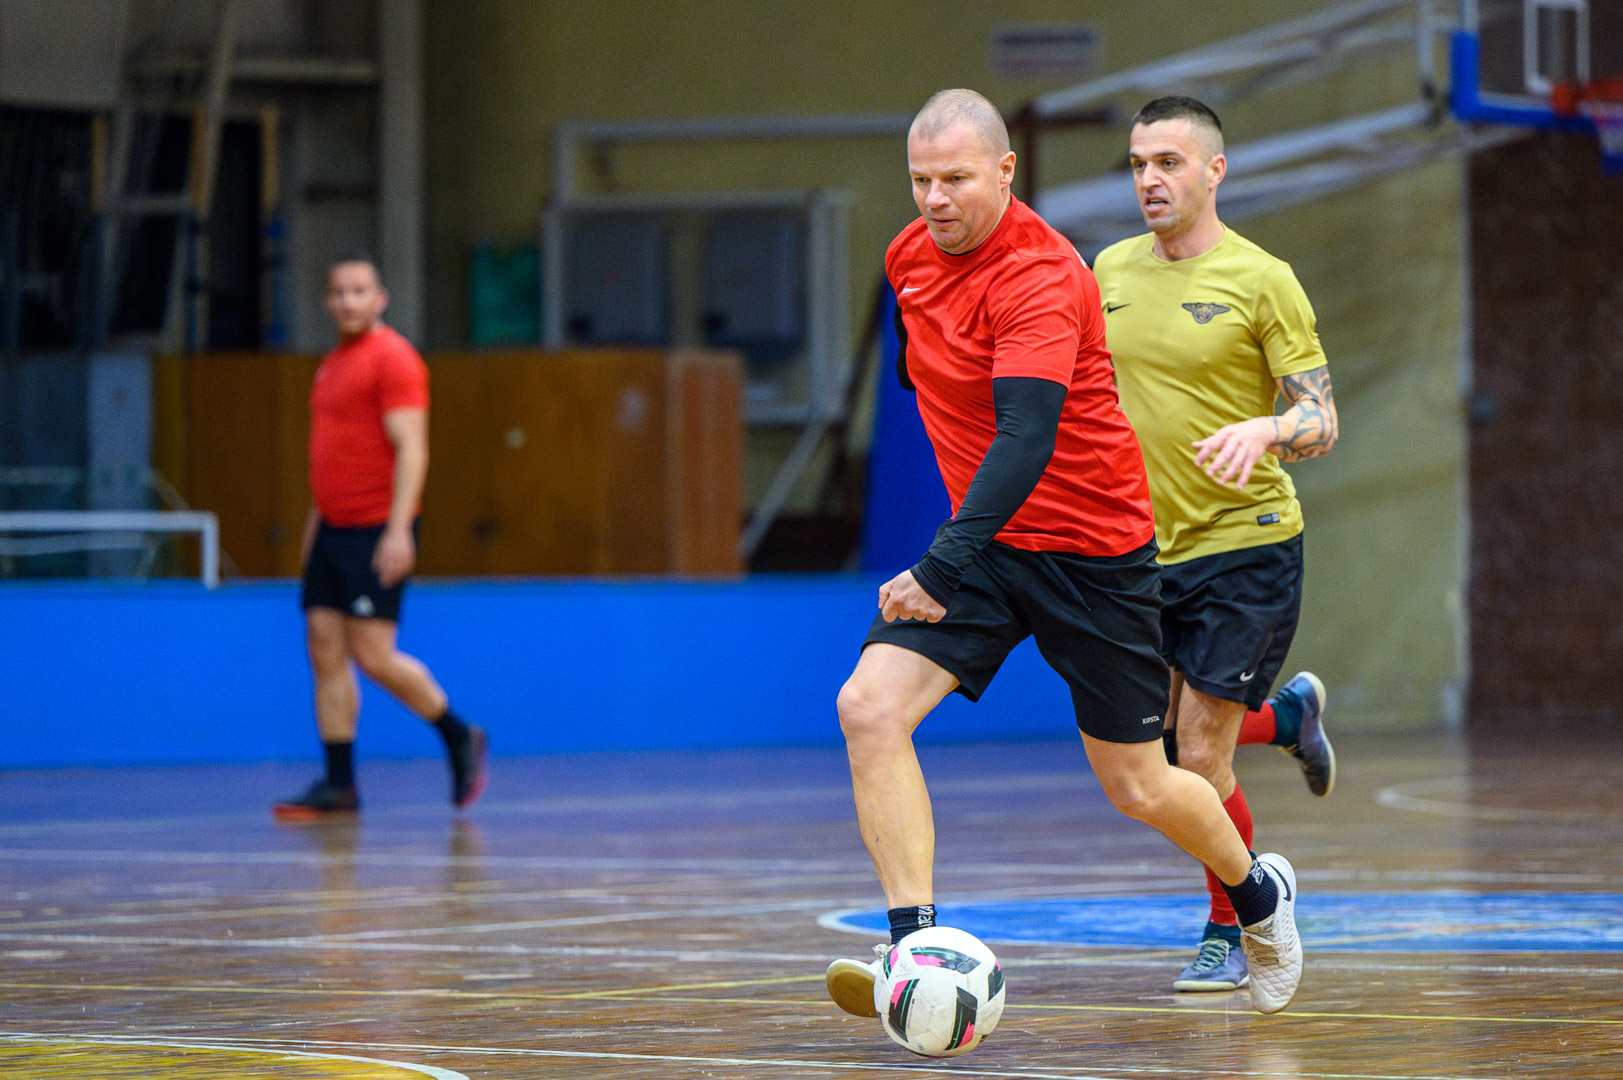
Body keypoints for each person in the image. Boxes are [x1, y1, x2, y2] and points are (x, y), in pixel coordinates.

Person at [823, 89, 1302, 1017]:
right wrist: (961, 550)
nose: (934, 199)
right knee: (868, 708)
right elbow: (929, 384)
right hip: (991, 543)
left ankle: (1255, 895)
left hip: (1092, 552)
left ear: (1005, 171)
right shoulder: (907, 258)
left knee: (1140, 784)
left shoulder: (1039, 275)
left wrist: (936, 565)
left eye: (955, 179)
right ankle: (914, 947)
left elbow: (1025, 436)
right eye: (920, 180)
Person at [1092, 95, 1339, 994]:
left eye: (1167, 162)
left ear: (1213, 171)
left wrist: (1266, 430)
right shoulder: (1108, 270)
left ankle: (1234, 925)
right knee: (1161, 753)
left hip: (1246, 543)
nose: (1149, 179)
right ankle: (1289, 719)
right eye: (1137, 164)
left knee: (1197, 755)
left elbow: (1320, 419)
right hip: (1142, 550)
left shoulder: (1262, 278)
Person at [273, 256, 487, 820]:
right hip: (333, 528)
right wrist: (314, 532)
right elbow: (332, 455)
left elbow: (412, 448)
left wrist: (398, 529)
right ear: (327, 301)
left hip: (376, 527)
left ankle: (459, 733)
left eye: (359, 291)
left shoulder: (394, 359)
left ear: (380, 298)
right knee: (323, 646)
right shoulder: (330, 366)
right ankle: (339, 783)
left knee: (372, 654)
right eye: (339, 292)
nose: (348, 301)